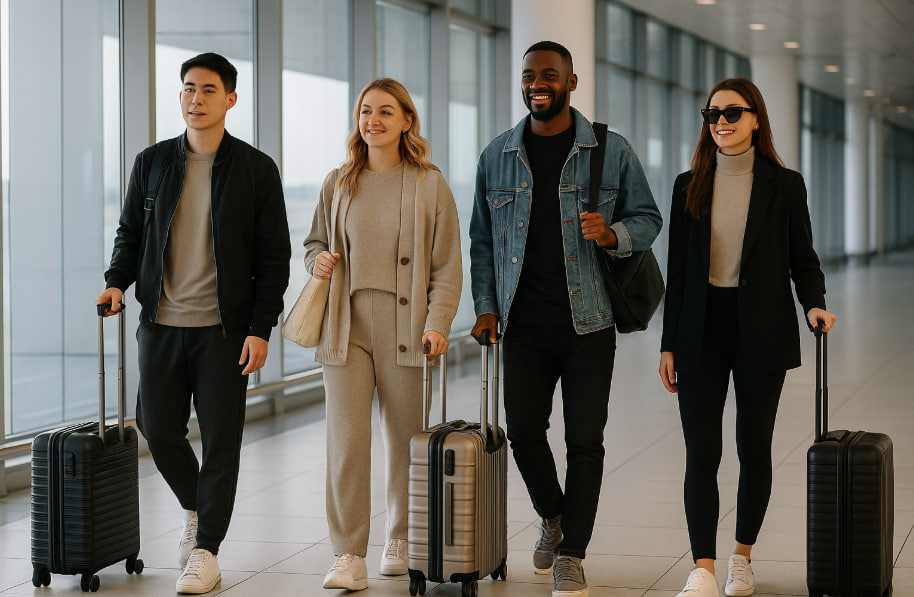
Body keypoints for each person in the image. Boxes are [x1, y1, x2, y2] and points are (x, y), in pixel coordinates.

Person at [469, 41, 662, 597]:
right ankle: (552, 517)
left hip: (589, 322)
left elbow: (648, 217)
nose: (538, 83)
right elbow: (482, 239)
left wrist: (614, 234)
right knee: (524, 431)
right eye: (529, 75)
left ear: (571, 83)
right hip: (521, 324)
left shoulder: (610, 150)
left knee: (585, 440)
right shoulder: (497, 155)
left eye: (549, 75)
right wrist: (484, 306)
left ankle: (572, 552)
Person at [96, 52, 291, 594]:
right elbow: (130, 233)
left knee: (222, 440)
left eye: (208, 90)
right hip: (160, 322)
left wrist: (260, 328)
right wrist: (117, 281)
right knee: (157, 430)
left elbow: (274, 257)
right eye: (187, 89)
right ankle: (196, 510)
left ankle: (206, 551)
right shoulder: (153, 162)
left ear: (230, 99)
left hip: (224, 332)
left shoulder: (254, 169)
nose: (195, 99)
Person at [658, 78, 837, 597]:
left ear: (756, 118)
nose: (722, 122)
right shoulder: (687, 184)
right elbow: (679, 273)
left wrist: (815, 302)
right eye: (712, 113)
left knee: (753, 447)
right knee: (701, 453)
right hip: (700, 329)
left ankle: (741, 557)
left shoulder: (784, 184)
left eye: (733, 113)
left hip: (761, 326)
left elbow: (802, 257)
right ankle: (703, 568)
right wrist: (668, 342)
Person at [303, 78, 462, 592]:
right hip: (345, 328)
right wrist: (319, 260)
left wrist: (437, 324)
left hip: (406, 329)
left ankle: (400, 537)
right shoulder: (338, 181)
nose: (373, 120)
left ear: (406, 121)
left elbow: (447, 266)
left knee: (404, 441)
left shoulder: (428, 183)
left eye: (386, 112)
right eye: (366, 111)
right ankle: (348, 553)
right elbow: (312, 244)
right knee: (347, 444)